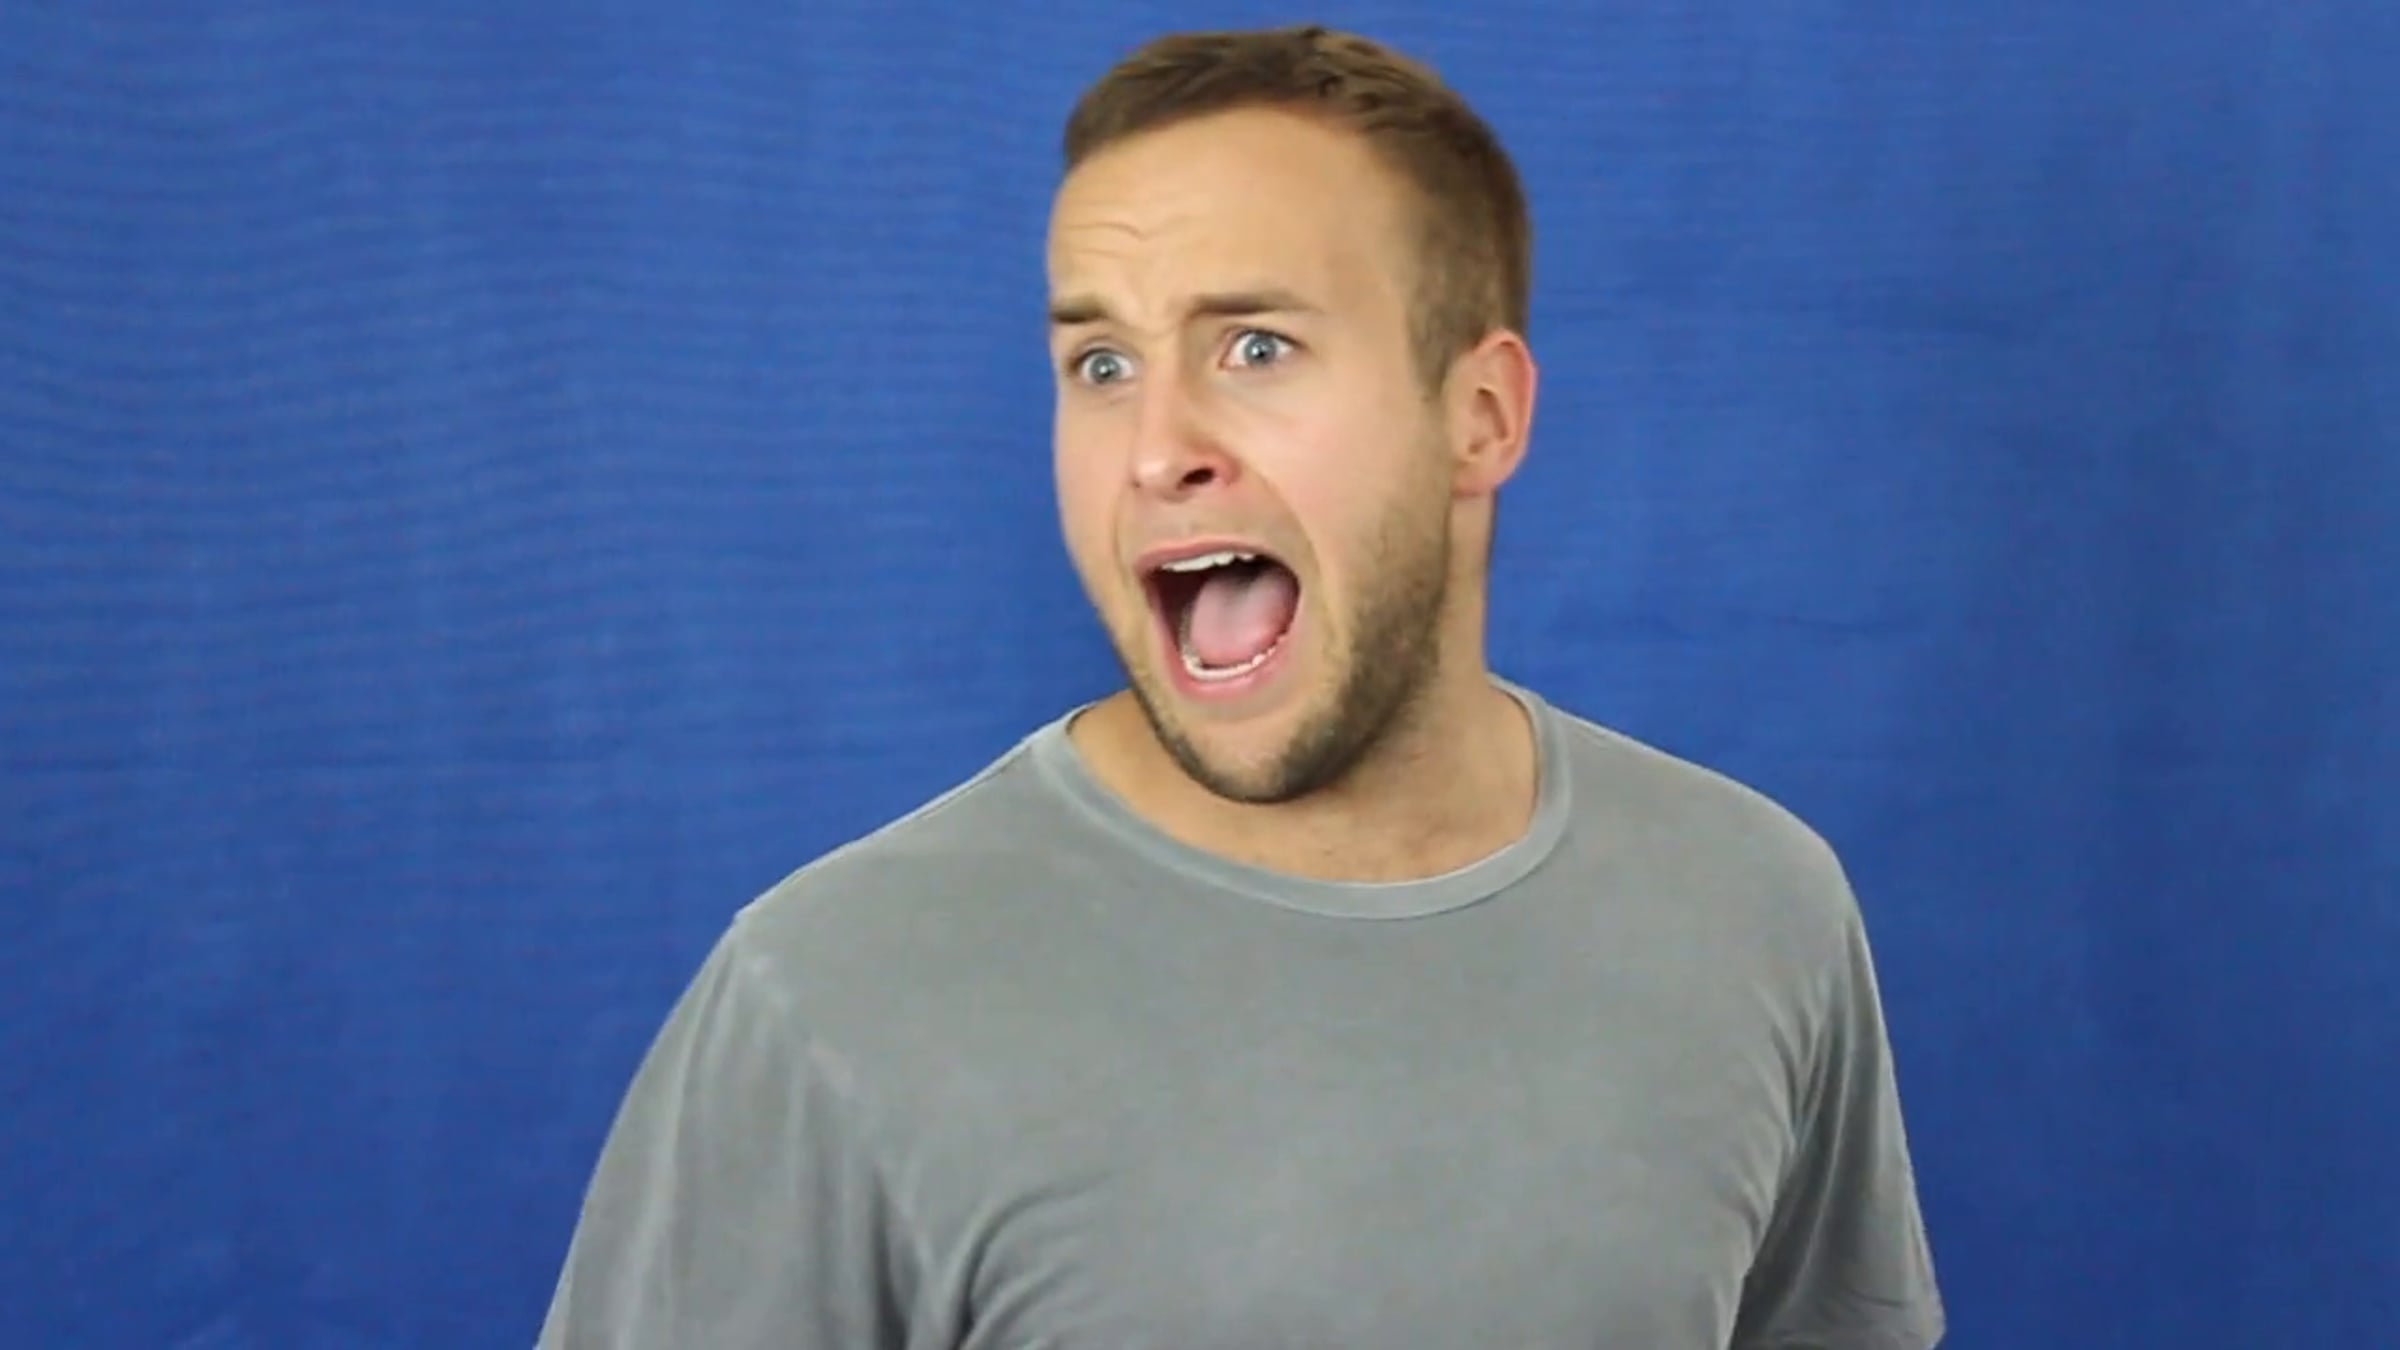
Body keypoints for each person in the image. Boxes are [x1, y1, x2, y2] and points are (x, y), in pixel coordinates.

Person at [536, 24, 1945, 1350]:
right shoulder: (827, 994)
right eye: (1100, 362)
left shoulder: (1757, 906)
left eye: (1255, 346)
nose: (1157, 448)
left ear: (1481, 417)